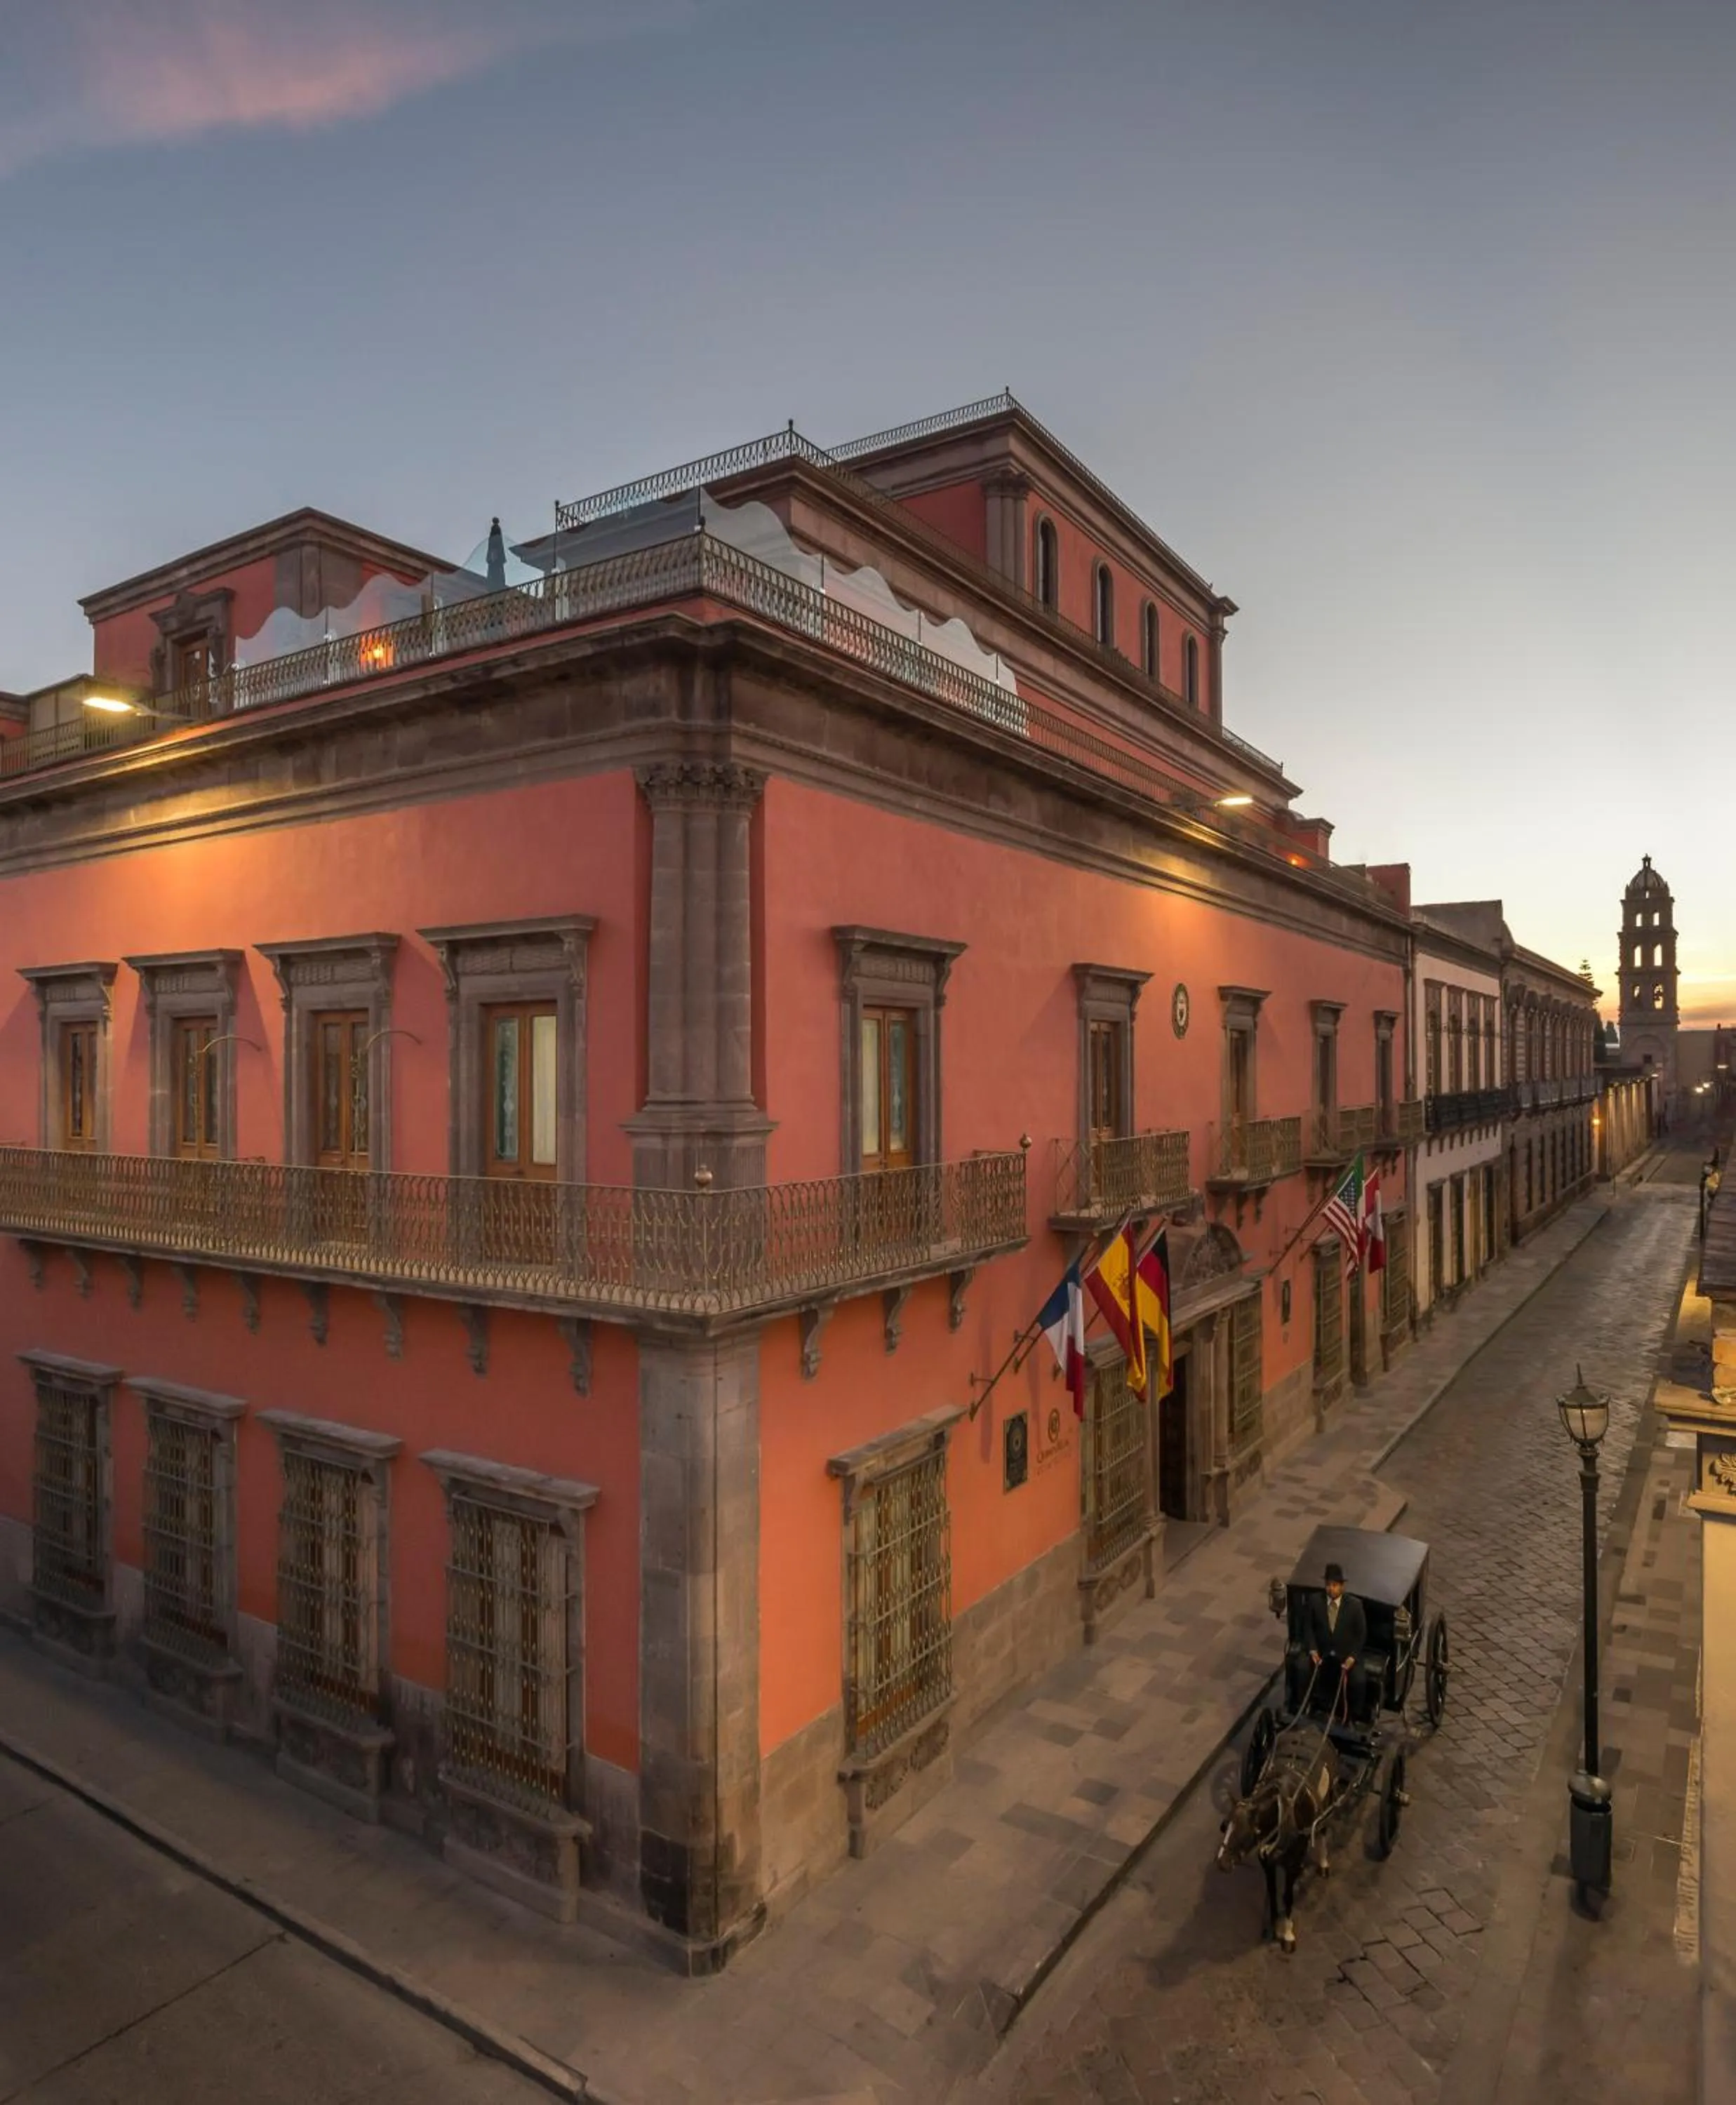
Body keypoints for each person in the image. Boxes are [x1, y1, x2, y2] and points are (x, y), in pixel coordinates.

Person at [1303, 1561, 1368, 1722]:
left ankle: (1354, 1717)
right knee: (1300, 1667)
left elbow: (1361, 1634)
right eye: (1328, 1585)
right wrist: (1312, 1649)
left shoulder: (1355, 1606)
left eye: (1334, 1585)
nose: (1331, 1589)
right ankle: (1304, 1706)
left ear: (1342, 1586)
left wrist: (1352, 1657)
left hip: (1346, 1657)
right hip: (1322, 1655)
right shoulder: (1315, 1601)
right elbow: (1308, 1627)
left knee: (1359, 1681)